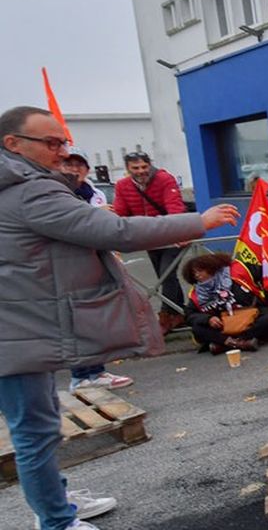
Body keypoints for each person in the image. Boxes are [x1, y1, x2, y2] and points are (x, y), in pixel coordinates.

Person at [0, 106, 240, 530]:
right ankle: (56, 520)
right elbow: (117, 233)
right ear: (13, 144)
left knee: (39, 425)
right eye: (51, 143)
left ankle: (56, 500)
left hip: (22, 322)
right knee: (35, 432)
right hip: (17, 329)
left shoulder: (20, 184)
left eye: (64, 142)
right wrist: (197, 221)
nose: (62, 151)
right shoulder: (28, 190)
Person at [61, 148, 133, 393]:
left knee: (95, 322)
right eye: (68, 164)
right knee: (74, 325)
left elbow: (107, 228)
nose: (74, 169)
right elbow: (73, 226)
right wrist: (95, 215)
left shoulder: (94, 193)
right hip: (68, 268)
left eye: (79, 165)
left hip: (96, 263)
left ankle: (97, 371)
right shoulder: (55, 194)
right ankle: (79, 377)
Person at [112, 151, 188, 334]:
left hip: (172, 237)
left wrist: (178, 231)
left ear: (150, 165)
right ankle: (179, 313)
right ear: (128, 169)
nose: (141, 171)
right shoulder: (122, 186)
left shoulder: (164, 179)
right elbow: (121, 211)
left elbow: (174, 207)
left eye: (144, 167)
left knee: (166, 275)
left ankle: (165, 316)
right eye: (135, 168)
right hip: (149, 238)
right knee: (165, 276)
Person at [182, 253, 268, 354]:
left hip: (252, 316)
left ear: (211, 267)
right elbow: (189, 315)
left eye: (200, 271)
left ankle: (225, 344)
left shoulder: (239, 269)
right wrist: (208, 319)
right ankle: (241, 343)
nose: (197, 275)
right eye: (194, 273)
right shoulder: (197, 292)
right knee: (198, 329)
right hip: (223, 324)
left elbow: (267, 276)